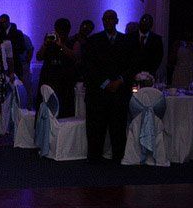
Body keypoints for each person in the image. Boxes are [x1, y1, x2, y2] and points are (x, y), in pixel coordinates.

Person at [83, 9, 133, 162]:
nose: (108, 22)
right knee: (96, 129)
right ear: (102, 21)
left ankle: (118, 158)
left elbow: (132, 65)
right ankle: (95, 160)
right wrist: (105, 83)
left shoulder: (127, 41)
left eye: (111, 19)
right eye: (105, 19)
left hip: (119, 92)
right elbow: (89, 66)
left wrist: (119, 81)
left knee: (118, 128)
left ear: (117, 21)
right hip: (98, 94)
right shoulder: (93, 41)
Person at [36, 18, 78, 118]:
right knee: (45, 105)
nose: (61, 33)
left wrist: (61, 45)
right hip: (48, 78)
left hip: (65, 80)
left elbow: (75, 57)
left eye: (64, 30)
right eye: (59, 30)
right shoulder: (50, 41)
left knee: (64, 109)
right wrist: (45, 44)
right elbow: (39, 57)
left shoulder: (72, 42)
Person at [130, 13, 164, 78]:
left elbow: (158, 57)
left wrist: (150, 73)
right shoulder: (130, 37)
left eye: (146, 22)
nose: (144, 23)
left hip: (149, 75)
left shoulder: (157, 39)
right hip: (132, 74)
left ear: (151, 25)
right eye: (142, 21)